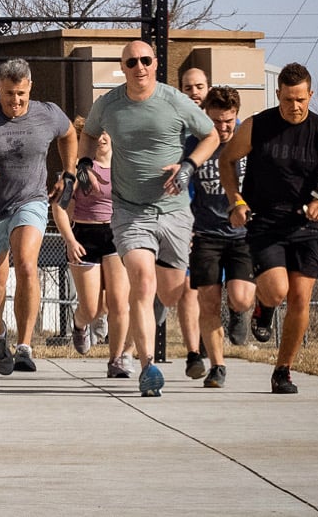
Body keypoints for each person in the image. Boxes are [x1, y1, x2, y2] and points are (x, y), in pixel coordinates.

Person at [79, 40, 219, 397]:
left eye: (145, 60)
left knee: (171, 294)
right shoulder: (108, 104)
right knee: (141, 283)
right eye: (131, 62)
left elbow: (211, 135)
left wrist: (189, 165)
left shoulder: (175, 100)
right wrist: (84, 165)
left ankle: (153, 355)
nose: (139, 67)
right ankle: (147, 367)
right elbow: (89, 133)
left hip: (173, 211)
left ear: (155, 64)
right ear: (122, 67)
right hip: (129, 210)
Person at [219, 62, 318, 394]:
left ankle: (283, 370)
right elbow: (226, 159)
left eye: (301, 99)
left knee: (300, 298)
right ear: (277, 94)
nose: (295, 107)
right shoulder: (256, 126)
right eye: (288, 99)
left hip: (307, 222)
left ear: (310, 95)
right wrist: (236, 201)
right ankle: (264, 307)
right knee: (277, 290)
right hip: (265, 222)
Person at [0, 58, 77, 375]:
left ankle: (24, 346)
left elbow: (69, 135)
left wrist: (69, 172)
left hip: (31, 200)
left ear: (30, 87)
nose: (16, 101)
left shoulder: (47, 113)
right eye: (9, 93)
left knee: (25, 263)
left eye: (21, 93)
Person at [51, 118, 134, 378]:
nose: (102, 138)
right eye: (96, 135)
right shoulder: (79, 170)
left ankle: (117, 359)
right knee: (92, 308)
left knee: (119, 302)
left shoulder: (123, 167)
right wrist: (69, 240)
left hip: (115, 235)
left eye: (105, 133)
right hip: (85, 237)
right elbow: (59, 208)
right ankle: (79, 324)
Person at [186, 86, 255, 388]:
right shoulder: (194, 144)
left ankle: (240, 313)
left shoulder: (248, 142)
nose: (223, 128)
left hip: (242, 234)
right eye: (216, 121)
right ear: (206, 116)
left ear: (236, 115)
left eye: (228, 121)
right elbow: (185, 187)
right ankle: (218, 366)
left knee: (240, 299)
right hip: (206, 233)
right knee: (208, 302)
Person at [178, 67, 210, 380]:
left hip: (223, 226)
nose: (194, 92)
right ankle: (193, 354)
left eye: (199, 86)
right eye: (188, 88)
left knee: (218, 293)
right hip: (186, 222)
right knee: (188, 290)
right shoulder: (177, 132)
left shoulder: (225, 129)